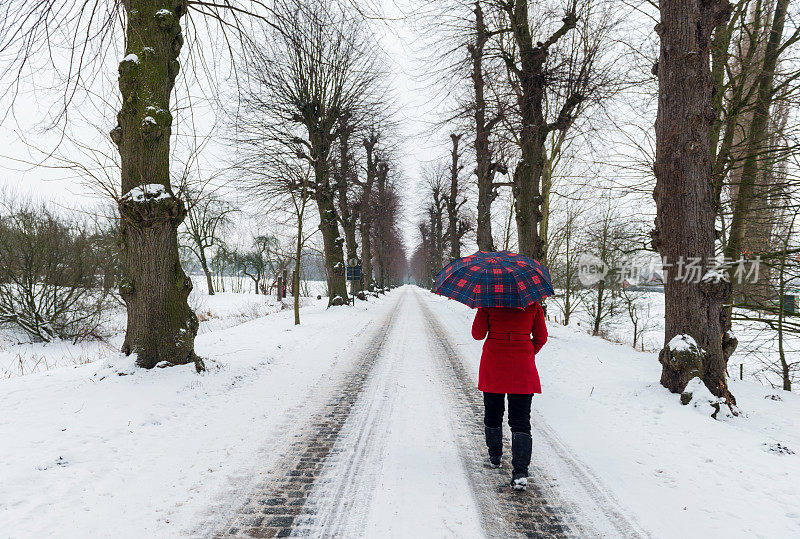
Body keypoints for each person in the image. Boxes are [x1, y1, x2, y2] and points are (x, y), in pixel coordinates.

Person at [471, 301, 548, 491]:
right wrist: (526, 350)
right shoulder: (533, 305)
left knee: (493, 413)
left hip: (494, 364)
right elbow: (542, 337)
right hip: (522, 366)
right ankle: (520, 472)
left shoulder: (488, 303)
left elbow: (477, 334)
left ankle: (495, 456)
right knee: (521, 420)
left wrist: (483, 309)